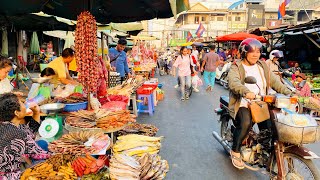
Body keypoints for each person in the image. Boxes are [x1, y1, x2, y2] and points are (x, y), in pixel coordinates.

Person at [228, 38, 291, 169]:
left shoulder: (262, 66)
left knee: (271, 128)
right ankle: (235, 151)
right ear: (244, 52)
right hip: (243, 102)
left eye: (258, 52)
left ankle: (261, 150)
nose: (255, 54)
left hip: (261, 102)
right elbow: (234, 82)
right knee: (245, 123)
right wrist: (246, 92)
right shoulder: (236, 66)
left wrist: (290, 93)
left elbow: (276, 82)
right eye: (252, 52)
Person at [0, 93, 49, 179]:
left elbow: (29, 132)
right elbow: (39, 153)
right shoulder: (18, 134)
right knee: (44, 160)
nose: (25, 104)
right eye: (22, 103)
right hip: (9, 175)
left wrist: (36, 112)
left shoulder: (6, 125)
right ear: (17, 113)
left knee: (42, 143)